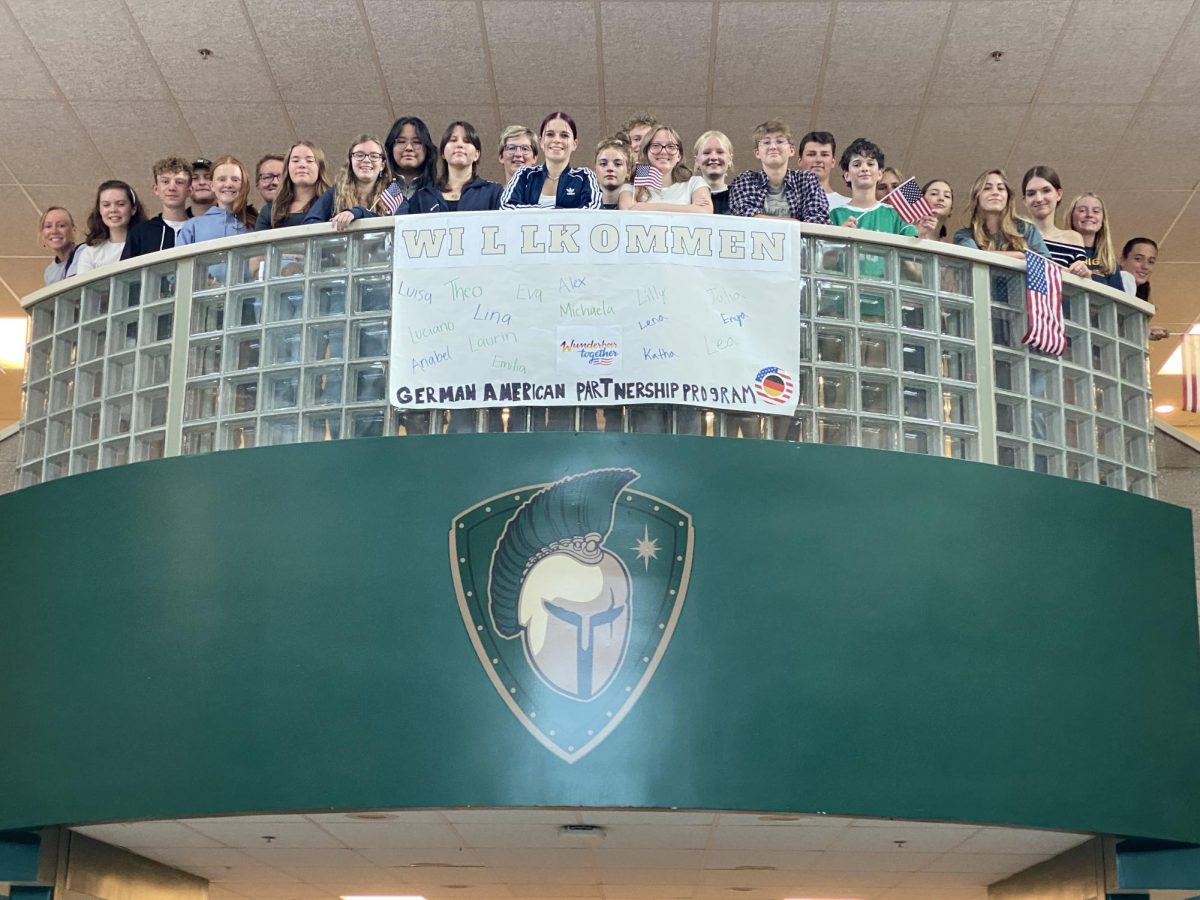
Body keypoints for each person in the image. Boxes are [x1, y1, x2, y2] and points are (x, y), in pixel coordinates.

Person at [829, 138, 936, 238]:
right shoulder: (835, 214)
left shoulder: (895, 214)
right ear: (847, 175)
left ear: (880, 174)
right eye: (857, 165)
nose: (864, 168)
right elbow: (824, 254)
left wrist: (920, 233)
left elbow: (910, 254)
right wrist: (839, 238)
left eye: (870, 164)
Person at [728, 120, 827, 223]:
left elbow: (819, 219)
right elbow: (742, 215)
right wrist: (795, 222)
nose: (773, 147)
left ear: (791, 150)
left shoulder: (806, 180)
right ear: (757, 153)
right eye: (766, 142)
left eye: (779, 141)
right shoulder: (746, 180)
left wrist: (759, 218)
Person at [500, 112, 601, 210]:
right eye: (550, 134)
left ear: (574, 144)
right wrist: (554, 210)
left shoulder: (585, 176)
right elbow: (506, 207)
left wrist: (543, 212)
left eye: (564, 135)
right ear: (541, 142)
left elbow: (592, 211)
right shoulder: (524, 174)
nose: (556, 140)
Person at [403, 121, 502, 213]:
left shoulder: (493, 193)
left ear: (477, 154)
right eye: (453, 140)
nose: (459, 145)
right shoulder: (422, 196)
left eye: (467, 141)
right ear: (442, 153)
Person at [305, 135, 392, 230]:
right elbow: (309, 224)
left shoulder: (393, 194)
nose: (366, 160)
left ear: (382, 165)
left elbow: (401, 224)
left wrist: (357, 212)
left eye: (374, 156)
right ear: (350, 162)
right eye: (359, 155)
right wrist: (333, 226)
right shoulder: (336, 193)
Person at [617, 125, 712, 213]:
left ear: (679, 156)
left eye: (670, 146)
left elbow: (705, 211)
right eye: (655, 146)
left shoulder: (695, 183)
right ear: (646, 153)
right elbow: (628, 212)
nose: (663, 151)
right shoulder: (631, 186)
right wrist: (690, 208)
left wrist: (645, 207)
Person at [1020, 166, 1090, 277]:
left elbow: (1082, 287)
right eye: (1031, 193)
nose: (1039, 198)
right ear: (1024, 200)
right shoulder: (1014, 236)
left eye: (1046, 191)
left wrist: (1085, 274)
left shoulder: (1073, 239)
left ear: (1059, 194)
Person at [122, 157, 192, 259]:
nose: (172, 188)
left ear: (190, 190)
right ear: (156, 189)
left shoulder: (199, 228)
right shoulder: (141, 232)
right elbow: (126, 273)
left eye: (179, 182)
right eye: (165, 181)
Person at [176, 156, 254, 245]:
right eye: (222, 179)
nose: (228, 184)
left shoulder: (257, 223)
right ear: (212, 185)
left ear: (243, 184)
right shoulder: (192, 227)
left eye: (235, 180)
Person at [75, 180, 145, 274]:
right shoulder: (90, 253)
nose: (113, 210)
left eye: (120, 204)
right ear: (99, 210)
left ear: (133, 209)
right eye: (106, 205)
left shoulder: (148, 245)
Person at [256, 141, 331, 229]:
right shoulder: (270, 211)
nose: (302, 165)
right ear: (287, 169)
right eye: (295, 161)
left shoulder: (335, 204)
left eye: (309, 160)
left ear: (320, 168)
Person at [1066, 192, 1126, 291]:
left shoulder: (1109, 260)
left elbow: (1119, 302)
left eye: (1096, 211)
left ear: (1103, 221)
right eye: (1082, 210)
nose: (1089, 215)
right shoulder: (1060, 249)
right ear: (1071, 217)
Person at [384, 116, 437, 203]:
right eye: (401, 141)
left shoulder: (439, 191)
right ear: (391, 147)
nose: (409, 148)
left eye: (417, 142)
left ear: (427, 149)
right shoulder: (378, 189)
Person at [798, 131, 848, 210]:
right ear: (800, 161)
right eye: (811, 154)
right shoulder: (783, 201)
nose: (818, 160)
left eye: (824, 155)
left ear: (833, 162)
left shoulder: (846, 206)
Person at [693, 130, 734, 214]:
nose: (713, 157)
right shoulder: (687, 195)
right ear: (697, 161)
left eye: (720, 152)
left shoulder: (740, 197)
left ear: (730, 159)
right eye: (706, 153)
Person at [40, 207, 81, 285]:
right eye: (48, 226)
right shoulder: (49, 273)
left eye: (61, 226)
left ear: (73, 230)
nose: (54, 231)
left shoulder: (86, 253)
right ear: (42, 233)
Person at [593, 137, 632, 210]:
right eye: (603, 164)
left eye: (617, 164)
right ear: (595, 170)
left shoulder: (635, 206)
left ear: (628, 171)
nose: (610, 168)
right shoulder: (586, 205)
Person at [1120, 237, 1157, 301]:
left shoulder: (1144, 293)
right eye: (1138, 259)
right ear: (1122, 260)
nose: (1145, 266)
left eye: (1151, 261)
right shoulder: (1108, 285)